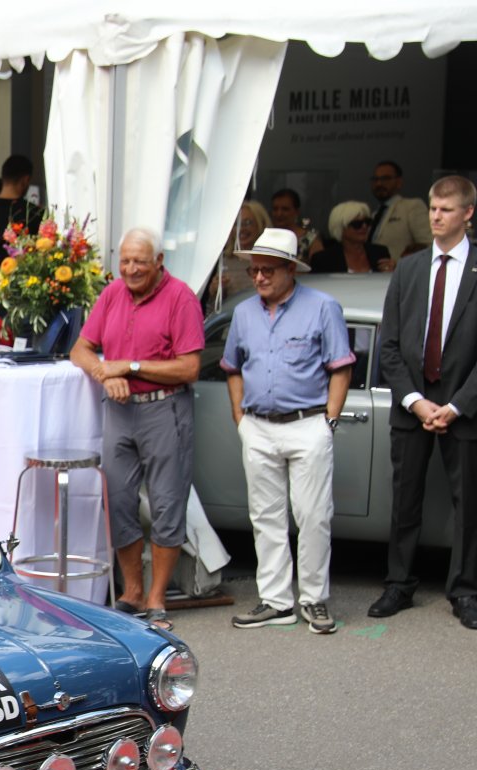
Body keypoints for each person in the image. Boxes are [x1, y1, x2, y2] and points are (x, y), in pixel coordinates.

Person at [69, 227, 204, 630]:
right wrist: (104, 373)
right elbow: (80, 349)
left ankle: (157, 599)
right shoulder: (113, 293)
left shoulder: (180, 297)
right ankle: (133, 592)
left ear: (159, 261)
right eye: (125, 261)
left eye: (139, 262)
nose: (130, 269)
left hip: (165, 408)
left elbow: (190, 368)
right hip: (120, 411)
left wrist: (129, 367)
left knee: (166, 503)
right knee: (118, 500)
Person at [220, 228, 354, 634]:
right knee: (265, 517)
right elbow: (232, 368)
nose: (259, 277)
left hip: (307, 422)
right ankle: (277, 601)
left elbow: (341, 367)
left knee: (313, 516)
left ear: (290, 270)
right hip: (258, 425)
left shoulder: (322, 307)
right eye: (255, 270)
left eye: (268, 270)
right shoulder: (244, 313)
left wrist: (329, 420)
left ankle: (313, 598)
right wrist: (240, 417)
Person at [368, 176, 477, 631]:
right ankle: (399, 584)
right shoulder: (409, 269)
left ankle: (465, 591)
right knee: (405, 499)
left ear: (468, 213)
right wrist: (415, 401)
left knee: (468, 505)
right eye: (433, 208)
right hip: (412, 403)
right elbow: (389, 345)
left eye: (446, 209)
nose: (436, 216)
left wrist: (457, 405)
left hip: (465, 406)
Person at [369, 160, 432, 261]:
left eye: (385, 178)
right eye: (375, 179)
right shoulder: (374, 216)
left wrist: (400, 264)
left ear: (399, 182)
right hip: (374, 270)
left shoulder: (412, 207)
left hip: (402, 268)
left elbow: (428, 244)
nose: (379, 183)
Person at [210, 199, 271, 304]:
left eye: (247, 223)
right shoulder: (224, 260)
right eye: (236, 224)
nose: (241, 229)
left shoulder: (271, 260)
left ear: (261, 224)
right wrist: (215, 291)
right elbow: (214, 308)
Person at [309, 201, 393, 274]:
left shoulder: (380, 252)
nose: (364, 227)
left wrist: (393, 273)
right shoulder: (323, 259)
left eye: (367, 222)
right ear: (340, 228)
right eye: (357, 224)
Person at [267, 188, 322, 264]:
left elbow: (320, 267)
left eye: (285, 209)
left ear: (297, 212)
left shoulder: (310, 239)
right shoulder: (266, 238)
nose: (279, 214)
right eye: (275, 209)